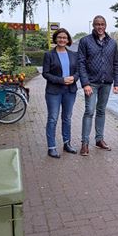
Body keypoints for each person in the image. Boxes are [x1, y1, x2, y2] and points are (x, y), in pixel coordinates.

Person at [78, 15, 118, 156]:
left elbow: (116, 63)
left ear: (106, 25)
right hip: (91, 83)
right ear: (94, 26)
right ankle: (84, 143)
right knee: (89, 111)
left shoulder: (112, 43)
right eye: (97, 24)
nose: (100, 27)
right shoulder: (85, 41)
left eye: (102, 24)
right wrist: (85, 83)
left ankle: (99, 140)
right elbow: (81, 63)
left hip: (106, 83)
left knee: (101, 111)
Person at [42, 28, 79, 159]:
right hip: (54, 91)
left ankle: (66, 143)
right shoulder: (49, 55)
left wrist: (74, 78)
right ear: (56, 39)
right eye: (59, 37)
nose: (62, 40)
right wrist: (61, 80)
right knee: (53, 118)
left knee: (67, 118)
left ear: (68, 40)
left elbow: (78, 71)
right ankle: (51, 147)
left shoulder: (74, 55)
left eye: (64, 38)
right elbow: (45, 73)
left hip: (70, 91)